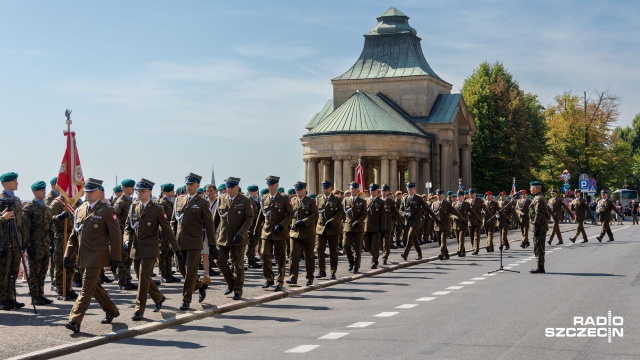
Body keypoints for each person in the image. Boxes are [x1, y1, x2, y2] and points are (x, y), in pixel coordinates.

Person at [64, 178, 122, 332]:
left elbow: (116, 237)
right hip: (82, 256)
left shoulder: (107, 210)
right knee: (94, 287)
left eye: (91, 191)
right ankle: (111, 310)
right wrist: (67, 253)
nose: (87, 194)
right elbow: (74, 234)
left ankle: (74, 320)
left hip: (97, 257)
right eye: (86, 191)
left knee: (86, 289)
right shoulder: (80, 209)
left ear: (100, 193)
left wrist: (116, 257)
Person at [124, 179, 181, 321]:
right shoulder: (134, 206)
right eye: (138, 191)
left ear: (150, 192)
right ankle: (158, 297)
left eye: (142, 191)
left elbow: (167, 229)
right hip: (136, 247)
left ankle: (139, 309)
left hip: (150, 247)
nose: (139, 193)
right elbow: (128, 226)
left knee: (143, 277)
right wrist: (126, 239)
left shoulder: (156, 209)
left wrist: (176, 248)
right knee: (140, 275)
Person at [171, 173, 215, 310]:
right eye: (187, 184)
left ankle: (186, 300)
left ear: (197, 186)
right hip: (180, 241)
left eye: (191, 184)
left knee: (190, 272)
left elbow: (209, 225)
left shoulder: (203, 203)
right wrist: (171, 242)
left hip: (194, 242)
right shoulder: (179, 200)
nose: (188, 186)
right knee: (183, 271)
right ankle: (201, 285)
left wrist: (213, 244)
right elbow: (173, 222)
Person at [213, 177, 254, 300]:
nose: (229, 190)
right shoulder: (221, 198)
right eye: (228, 187)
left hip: (238, 238)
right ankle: (231, 282)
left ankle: (237, 290)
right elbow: (216, 219)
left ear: (237, 187)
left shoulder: (245, 200)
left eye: (232, 187)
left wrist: (241, 233)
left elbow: (249, 219)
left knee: (238, 265)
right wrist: (210, 235)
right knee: (219, 261)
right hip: (223, 237)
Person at [255, 176, 294, 291]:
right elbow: (261, 215)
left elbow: (291, 214)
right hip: (267, 231)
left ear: (277, 185)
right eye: (269, 184)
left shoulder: (284, 198)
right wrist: (256, 230)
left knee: (280, 257)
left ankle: (280, 281)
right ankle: (269, 278)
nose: (270, 186)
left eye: (272, 184)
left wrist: (282, 225)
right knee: (263, 253)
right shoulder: (264, 198)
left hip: (279, 232)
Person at [23, 181, 55, 305]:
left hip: (46, 244)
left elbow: (50, 226)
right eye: (41, 190)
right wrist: (27, 245)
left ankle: (40, 294)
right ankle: (34, 295)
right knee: (34, 270)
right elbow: (25, 228)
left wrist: (52, 242)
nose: (44, 192)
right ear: (34, 192)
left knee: (42, 270)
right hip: (34, 245)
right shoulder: (29, 208)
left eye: (44, 190)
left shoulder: (46, 208)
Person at [0, 172, 29, 310]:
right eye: (14, 181)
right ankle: (2, 298)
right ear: (6, 183)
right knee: (3, 271)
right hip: (4, 240)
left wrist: (23, 240)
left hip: (16, 239)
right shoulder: (1, 199)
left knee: (14, 270)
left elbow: (21, 222)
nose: (17, 183)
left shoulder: (17, 200)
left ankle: (11, 297)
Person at [287, 181, 318, 286]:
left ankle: (310, 277)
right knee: (293, 255)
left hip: (307, 233)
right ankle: (293, 277)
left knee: (309, 256)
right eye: (297, 189)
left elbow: (315, 215)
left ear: (305, 190)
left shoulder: (311, 201)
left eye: (300, 189)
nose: (298, 191)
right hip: (294, 233)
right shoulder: (292, 201)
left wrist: (304, 222)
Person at [315, 180, 343, 279]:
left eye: (327, 188)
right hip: (321, 228)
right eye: (323, 188)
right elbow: (316, 213)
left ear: (330, 188)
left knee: (333, 251)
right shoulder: (318, 199)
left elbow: (340, 213)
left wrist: (333, 220)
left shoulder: (337, 199)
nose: (325, 190)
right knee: (319, 249)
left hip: (333, 228)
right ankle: (321, 270)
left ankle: (333, 271)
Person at [114, 179, 136, 291]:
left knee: (128, 259)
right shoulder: (120, 202)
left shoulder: (131, 201)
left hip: (131, 233)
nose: (133, 189)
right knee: (123, 259)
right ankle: (122, 281)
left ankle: (127, 279)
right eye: (130, 187)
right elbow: (114, 219)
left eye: (133, 187)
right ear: (124, 188)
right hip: (122, 234)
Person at [342, 182, 367, 273]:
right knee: (346, 245)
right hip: (348, 226)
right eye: (351, 189)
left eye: (354, 189)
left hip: (358, 227)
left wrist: (358, 222)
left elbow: (364, 214)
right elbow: (344, 212)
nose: (352, 190)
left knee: (357, 248)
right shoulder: (346, 200)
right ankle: (351, 262)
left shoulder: (362, 201)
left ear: (358, 190)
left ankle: (356, 266)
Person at [430, 188, 462, 260]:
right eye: (437, 195)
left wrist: (461, 218)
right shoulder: (434, 204)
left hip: (445, 225)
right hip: (437, 225)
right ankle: (446, 253)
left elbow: (454, 211)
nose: (438, 196)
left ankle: (441, 254)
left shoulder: (447, 204)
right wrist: (434, 217)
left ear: (442, 195)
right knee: (439, 241)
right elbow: (431, 213)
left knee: (443, 240)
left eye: (439, 195)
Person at [157, 183, 180, 283]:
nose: (173, 192)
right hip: (164, 231)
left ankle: (169, 273)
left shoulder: (171, 201)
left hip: (171, 230)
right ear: (167, 191)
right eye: (172, 190)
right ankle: (163, 274)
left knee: (169, 252)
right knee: (163, 253)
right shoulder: (162, 202)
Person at [380, 184, 403, 265]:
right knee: (379, 243)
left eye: (385, 191)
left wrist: (402, 223)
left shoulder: (391, 202)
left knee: (386, 242)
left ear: (388, 192)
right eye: (382, 191)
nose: (384, 192)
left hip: (388, 225)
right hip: (379, 225)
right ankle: (384, 253)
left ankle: (385, 257)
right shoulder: (377, 201)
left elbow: (396, 213)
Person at [529, 180, 548, 274]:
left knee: (538, 247)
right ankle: (540, 266)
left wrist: (536, 226)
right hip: (541, 226)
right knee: (538, 247)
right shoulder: (539, 198)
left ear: (535, 188)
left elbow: (538, 214)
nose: (530, 189)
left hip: (539, 227)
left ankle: (540, 267)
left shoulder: (538, 199)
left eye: (531, 187)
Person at [466, 189, 491, 255]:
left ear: (475, 194)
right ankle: (474, 248)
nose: (470, 195)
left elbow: (486, 209)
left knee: (476, 236)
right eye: (469, 193)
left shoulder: (479, 201)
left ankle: (476, 249)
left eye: (472, 193)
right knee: (471, 236)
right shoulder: (467, 201)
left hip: (478, 221)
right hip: (470, 221)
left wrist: (491, 217)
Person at [452, 190, 471, 257]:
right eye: (458, 196)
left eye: (460, 196)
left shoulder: (466, 204)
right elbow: (450, 214)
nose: (459, 197)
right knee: (458, 240)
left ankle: (459, 250)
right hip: (456, 224)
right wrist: (455, 216)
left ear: (463, 197)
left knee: (461, 238)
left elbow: (471, 213)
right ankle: (463, 251)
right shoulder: (454, 204)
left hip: (463, 224)